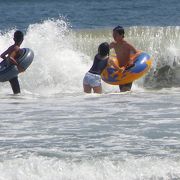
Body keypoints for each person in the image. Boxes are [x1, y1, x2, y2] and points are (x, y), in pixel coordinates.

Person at [110, 25, 139, 92]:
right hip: (120, 69)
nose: (114, 36)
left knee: (126, 89)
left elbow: (136, 53)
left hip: (128, 68)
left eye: (115, 35)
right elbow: (105, 51)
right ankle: (125, 102)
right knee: (122, 90)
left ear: (121, 35)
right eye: (113, 34)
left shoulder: (126, 44)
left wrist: (132, 59)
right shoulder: (113, 44)